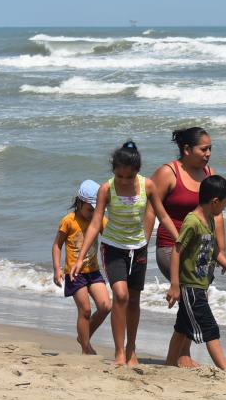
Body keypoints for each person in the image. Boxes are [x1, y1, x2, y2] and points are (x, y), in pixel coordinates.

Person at [73, 140, 179, 366]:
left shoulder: (148, 186)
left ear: (136, 173)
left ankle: (131, 349)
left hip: (138, 248)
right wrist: (81, 257)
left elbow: (164, 215)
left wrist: (179, 238)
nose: (123, 181)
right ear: (114, 173)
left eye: (128, 177)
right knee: (120, 295)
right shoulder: (106, 189)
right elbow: (94, 225)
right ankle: (119, 352)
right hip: (113, 247)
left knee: (133, 301)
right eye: (119, 176)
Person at [144, 127, 226, 367]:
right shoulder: (168, 173)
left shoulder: (209, 173)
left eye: (210, 148)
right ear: (187, 149)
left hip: (201, 252)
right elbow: (151, 208)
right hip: (172, 248)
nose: (208, 153)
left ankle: (179, 357)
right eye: (204, 149)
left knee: (189, 300)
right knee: (194, 298)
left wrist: (220, 253)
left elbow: (217, 215)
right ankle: (195, 358)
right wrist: (142, 244)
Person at [165, 175, 226, 371]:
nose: (225, 207)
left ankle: (168, 366)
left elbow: (214, 250)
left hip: (199, 285)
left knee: (183, 328)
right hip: (190, 287)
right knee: (210, 328)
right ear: (215, 201)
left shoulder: (209, 220)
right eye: (225, 203)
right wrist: (175, 285)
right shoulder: (192, 221)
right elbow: (176, 251)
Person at [51, 180, 112, 355]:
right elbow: (57, 245)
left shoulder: (99, 220)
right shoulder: (68, 221)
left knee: (105, 306)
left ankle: (83, 335)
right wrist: (57, 268)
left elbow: (110, 238)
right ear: (79, 202)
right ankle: (86, 347)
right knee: (85, 310)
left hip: (93, 272)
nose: (93, 213)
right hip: (74, 274)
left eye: (96, 209)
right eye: (90, 209)